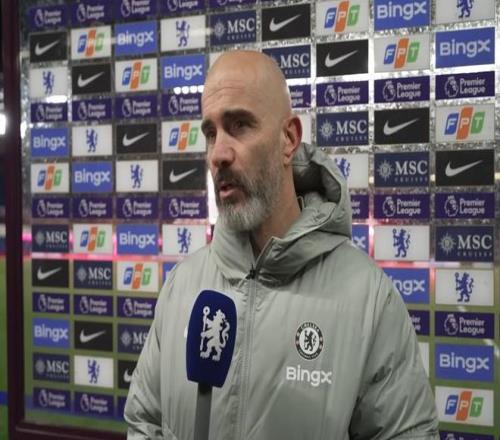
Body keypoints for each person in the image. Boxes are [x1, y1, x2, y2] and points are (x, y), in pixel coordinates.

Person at [125, 50, 439, 440]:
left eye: (239, 125)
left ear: (288, 139)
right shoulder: (181, 287)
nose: (218, 153)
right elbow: (144, 423)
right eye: (210, 133)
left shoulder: (369, 298)